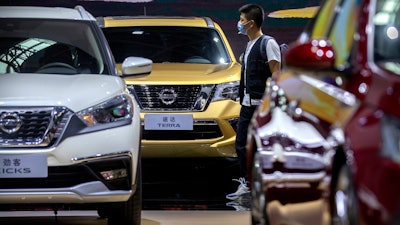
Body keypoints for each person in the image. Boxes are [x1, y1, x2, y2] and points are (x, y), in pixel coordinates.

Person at [226, 3, 281, 201]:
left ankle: (265, 185)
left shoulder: (268, 43)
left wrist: (272, 105)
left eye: (241, 20)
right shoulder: (249, 46)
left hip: (261, 105)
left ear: (251, 23)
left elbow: (277, 76)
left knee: (263, 146)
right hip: (247, 104)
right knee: (241, 144)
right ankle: (247, 182)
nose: (239, 24)